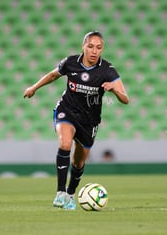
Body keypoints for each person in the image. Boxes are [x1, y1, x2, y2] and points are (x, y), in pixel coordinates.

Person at [23, 31, 129, 210]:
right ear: (83, 46)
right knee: (65, 143)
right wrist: (34, 88)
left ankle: (71, 194)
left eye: (99, 47)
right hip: (67, 111)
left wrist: (114, 90)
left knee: (79, 162)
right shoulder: (71, 62)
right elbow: (53, 75)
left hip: (89, 121)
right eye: (91, 46)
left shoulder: (107, 70)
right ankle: (60, 193)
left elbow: (125, 99)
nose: (94, 51)